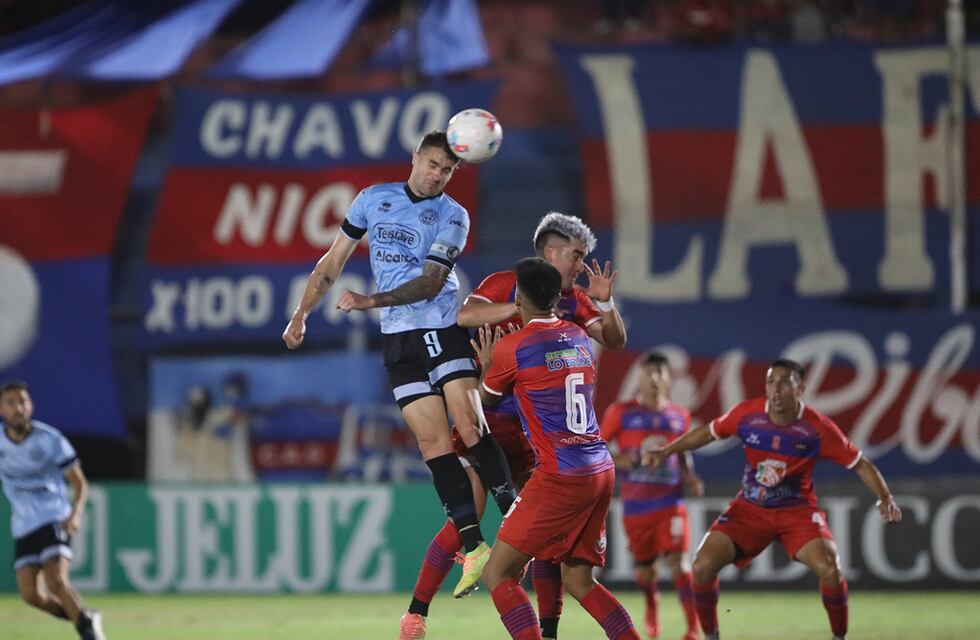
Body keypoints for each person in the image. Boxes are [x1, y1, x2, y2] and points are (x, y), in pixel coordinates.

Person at [282, 131, 515, 597]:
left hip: (440, 326)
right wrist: (301, 314)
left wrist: (372, 300)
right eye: (432, 164)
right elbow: (332, 261)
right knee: (432, 442)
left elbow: (431, 284)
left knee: (469, 426)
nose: (437, 175)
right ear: (415, 157)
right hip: (397, 341)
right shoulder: (373, 200)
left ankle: (516, 512)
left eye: (447, 170)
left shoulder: (454, 215)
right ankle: (474, 547)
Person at [399, 211, 627, 640]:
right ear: (551, 252)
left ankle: (548, 630)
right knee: (471, 513)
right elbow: (464, 316)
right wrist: (523, 310)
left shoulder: (576, 300)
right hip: (487, 428)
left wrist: (604, 304)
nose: (581, 266)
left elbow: (615, 341)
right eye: (576, 256)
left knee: (543, 541)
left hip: (537, 437)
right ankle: (416, 613)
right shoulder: (508, 284)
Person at [643, 359, 903, 640]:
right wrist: (667, 451)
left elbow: (860, 463)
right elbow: (709, 432)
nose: (776, 389)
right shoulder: (747, 415)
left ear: (800, 388)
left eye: (784, 381)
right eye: (771, 381)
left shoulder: (817, 428)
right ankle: (711, 637)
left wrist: (885, 497)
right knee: (701, 567)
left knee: (831, 570)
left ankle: (840, 638)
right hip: (750, 509)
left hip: (796, 511)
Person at [472, 257, 641, 640]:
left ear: (518, 296)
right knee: (580, 581)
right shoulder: (579, 336)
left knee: (497, 573)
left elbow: (486, 401)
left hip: (560, 474)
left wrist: (485, 366)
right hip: (599, 467)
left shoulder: (513, 347)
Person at [600, 351, 702, 640]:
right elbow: (598, 446)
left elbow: (682, 452)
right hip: (636, 505)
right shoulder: (621, 412)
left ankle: (693, 630)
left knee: (680, 564)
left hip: (671, 501)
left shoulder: (679, 415)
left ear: (669, 379)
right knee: (646, 571)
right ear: (640, 376)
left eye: (661, 372)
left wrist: (690, 476)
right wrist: (620, 460)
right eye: (649, 371)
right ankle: (651, 611)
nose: (655, 377)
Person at [0, 381, 106, 640]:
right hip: (23, 523)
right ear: (2, 410)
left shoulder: (50, 439)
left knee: (56, 580)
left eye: (22, 401)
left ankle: (90, 634)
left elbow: (79, 481)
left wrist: (76, 513)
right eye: (11, 403)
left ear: (31, 406)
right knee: (31, 595)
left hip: (53, 515)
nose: (18, 408)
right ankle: (85, 617)